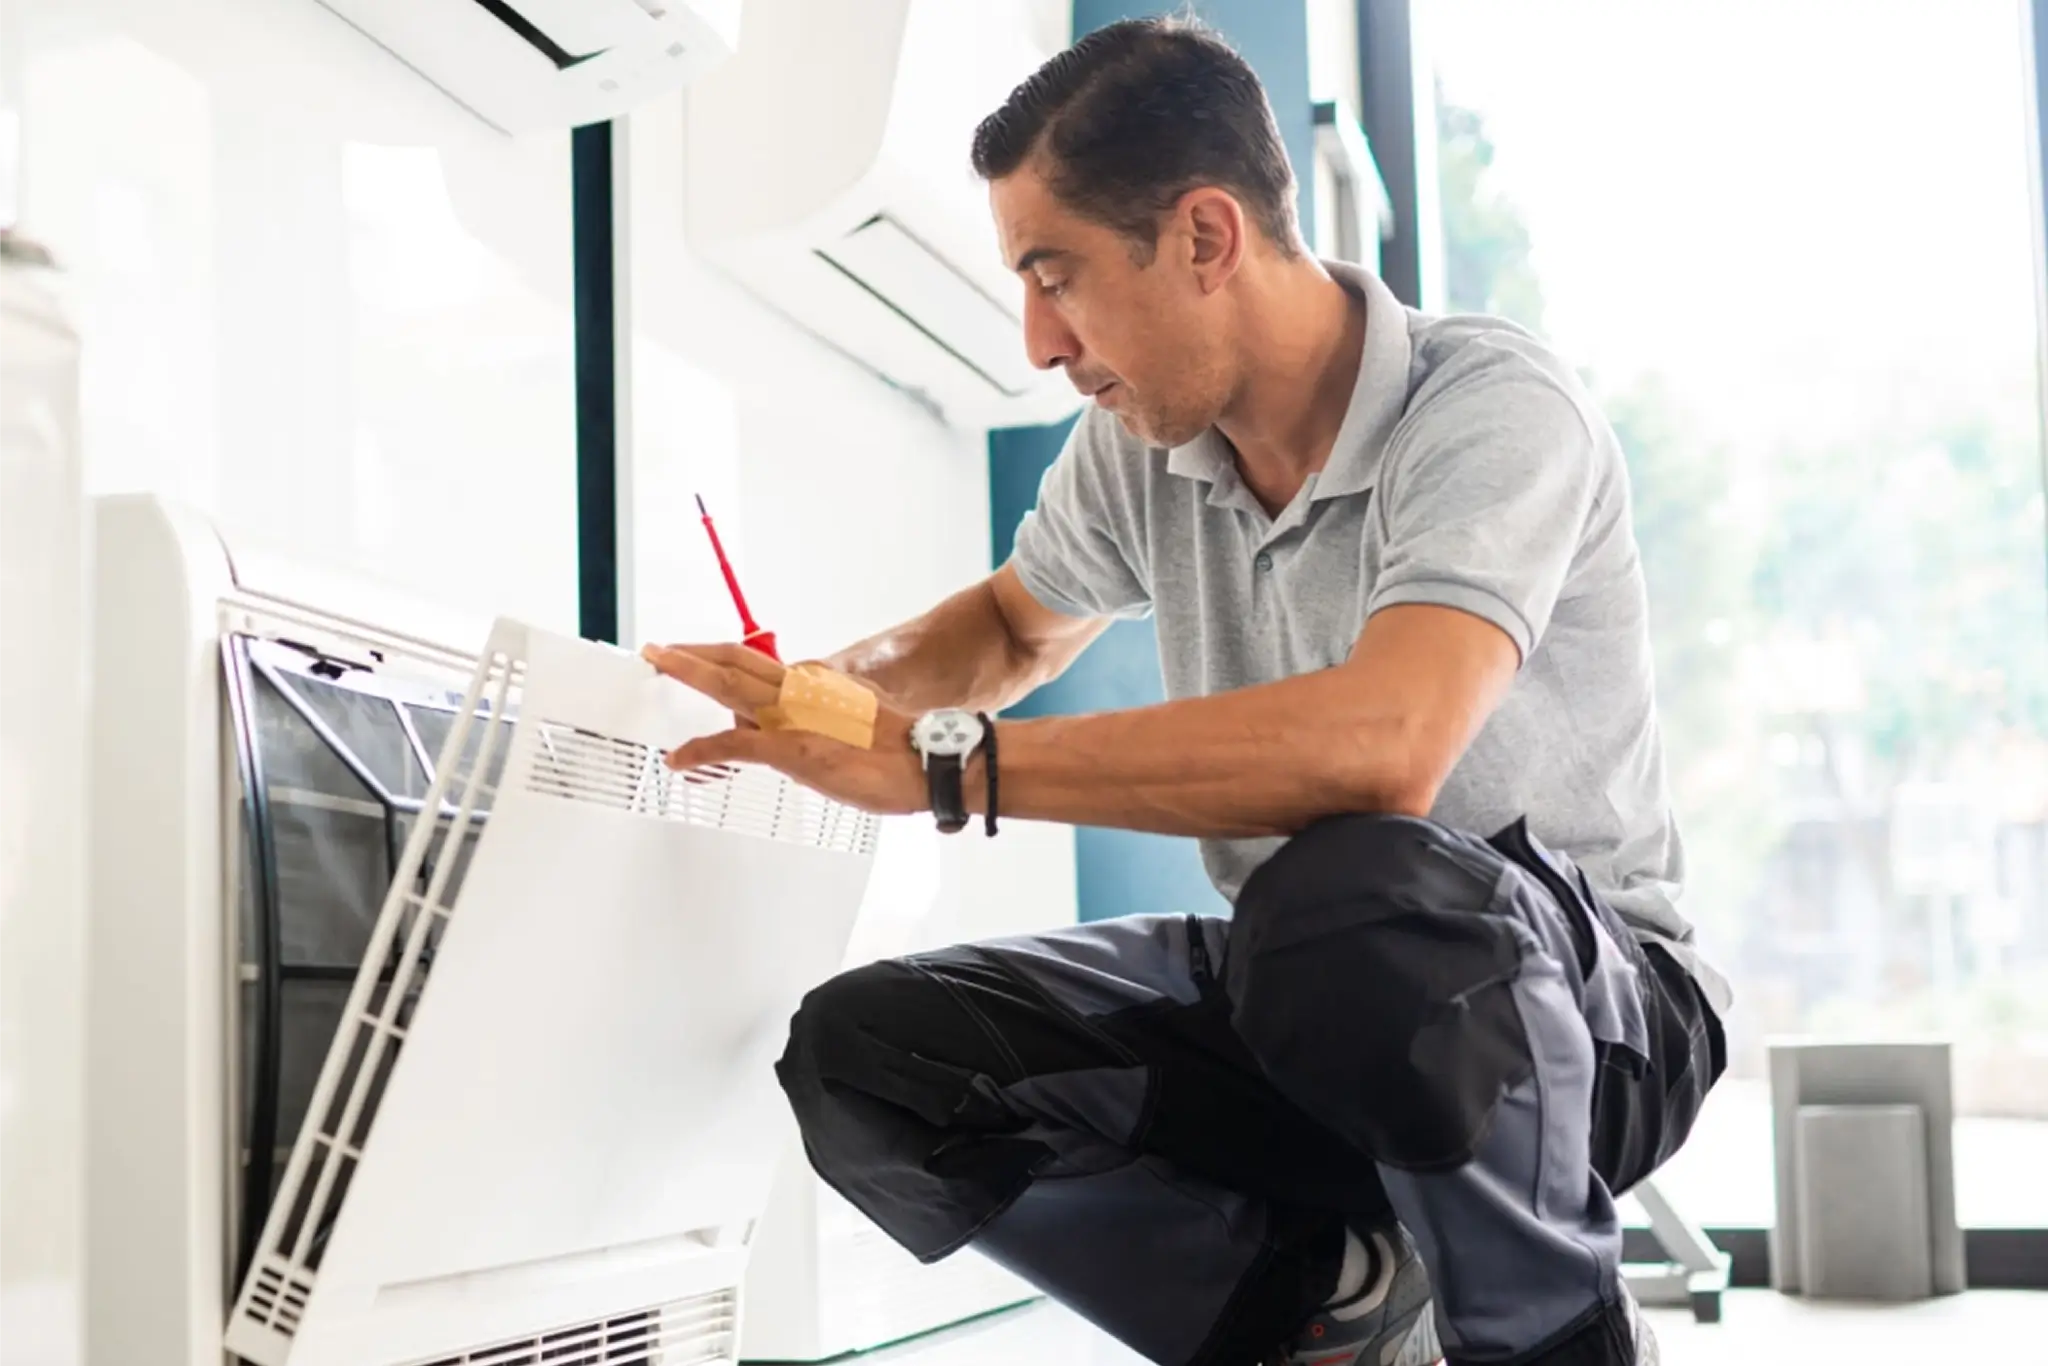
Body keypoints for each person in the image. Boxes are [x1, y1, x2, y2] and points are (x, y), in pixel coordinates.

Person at [643, 16, 1728, 1366]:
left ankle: (1548, 1344)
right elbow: (1006, 623)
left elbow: (1387, 747)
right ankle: (1327, 1302)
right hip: (1313, 993)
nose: (1041, 340)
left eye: (1059, 276)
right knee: (875, 1057)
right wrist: (816, 695)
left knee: (1350, 894)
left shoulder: (1491, 407)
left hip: (1588, 1015)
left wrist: (944, 763)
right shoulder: (1139, 447)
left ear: (1206, 237)